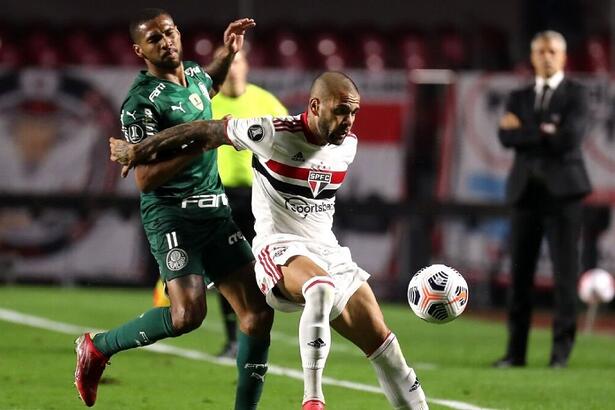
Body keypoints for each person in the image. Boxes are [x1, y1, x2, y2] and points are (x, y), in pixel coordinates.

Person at [110, 71, 429, 410]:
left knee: (387, 348)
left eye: (353, 113)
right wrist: (139, 149)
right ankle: (313, 399)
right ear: (316, 105)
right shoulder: (272, 132)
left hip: (329, 251)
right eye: (340, 111)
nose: (348, 121)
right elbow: (207, 130)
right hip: (278, 249)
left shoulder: (346, 147)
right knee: (319, 287)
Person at [74, 9, 274, 409]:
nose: (166, 42)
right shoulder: (139, 103)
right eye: (155, 39)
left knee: (258, 314)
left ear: (179, 32)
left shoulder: (196, 76)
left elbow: (209, 83)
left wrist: (229, 50)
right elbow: (146, 179)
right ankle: (97, 347)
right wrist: (202, 143)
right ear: (139, 50)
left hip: (215, 214)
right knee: (187, 317)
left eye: (169, 32)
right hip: (173, 217)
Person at [152, 49, 288, 359]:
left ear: (247, 66)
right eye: (229, 63)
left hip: (259, 197)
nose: (234, 69)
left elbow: (286, 143)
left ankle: (253, 332)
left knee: (261, 269)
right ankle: (233, 339)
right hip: (216, 194)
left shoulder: (265, 101)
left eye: (239, 61)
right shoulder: (205, 102)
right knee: (229, 268)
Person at [494, 30, 592, 369]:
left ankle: (559, 356)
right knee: (519, 277)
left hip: (565, 195)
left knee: (565, 278)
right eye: (540, 51)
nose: (547, 56)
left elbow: (570, 139)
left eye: (553, 51)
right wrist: (546, 129)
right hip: (525, 194)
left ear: (563, 57)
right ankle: (514, 354)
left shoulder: (578, 94)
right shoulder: (518, 96)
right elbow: (505, 136)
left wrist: (526, 132)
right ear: (532, 56)